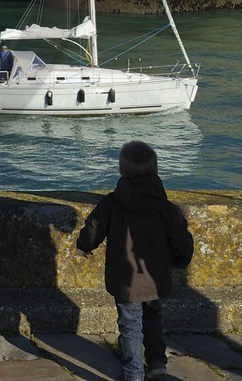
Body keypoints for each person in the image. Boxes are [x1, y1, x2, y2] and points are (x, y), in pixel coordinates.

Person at [76, 140, 194, 381]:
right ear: (155, 170)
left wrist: (84, 246)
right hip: (156, 278)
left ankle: (133, 373)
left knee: (130, 326)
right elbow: (180, 239)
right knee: (153, 318)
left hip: (126, 280)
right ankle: (157, 364)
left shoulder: (112, 203)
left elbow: (93, 229)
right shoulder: (166, 209)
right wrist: (181, 261)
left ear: (122, 170)